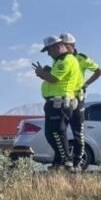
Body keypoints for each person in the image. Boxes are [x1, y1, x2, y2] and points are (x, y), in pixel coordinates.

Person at [32, 36, 81, 170]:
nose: (48, 54)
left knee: (55, 133)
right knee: (57, 133)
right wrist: (46, 71)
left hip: (59, 102)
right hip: (57, 102)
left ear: (56, 47)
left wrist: (41, 73)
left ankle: (66, 161)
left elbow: (54, 79)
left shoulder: (65, 60)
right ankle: (60, 162)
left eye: (49, 50)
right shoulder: (61, 61)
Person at [60, 32, 101, 169]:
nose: (62, 48)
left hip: (77, 98)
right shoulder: (60, 59)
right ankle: (63, 161)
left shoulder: (81, 58)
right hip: (63, 97)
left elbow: (98, 71)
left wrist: (87, 83)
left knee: (77, 130)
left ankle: (77, 162)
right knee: (60, 130)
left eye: (64, 46)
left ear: (72, 45)